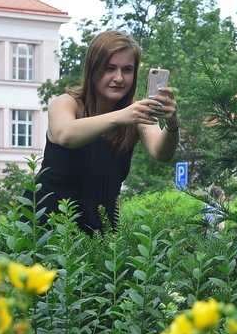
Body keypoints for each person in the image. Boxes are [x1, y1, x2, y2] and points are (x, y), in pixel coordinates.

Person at [34, 30, 179, 234]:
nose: (119, 78)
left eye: (127, 70)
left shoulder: (135, 115)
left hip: (101, 239)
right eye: (110, 68)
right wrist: (119, 116)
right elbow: (65, 135)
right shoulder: (66, 103)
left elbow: (161, 153)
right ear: (93, 68)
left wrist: (172, 123)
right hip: (45, 232)